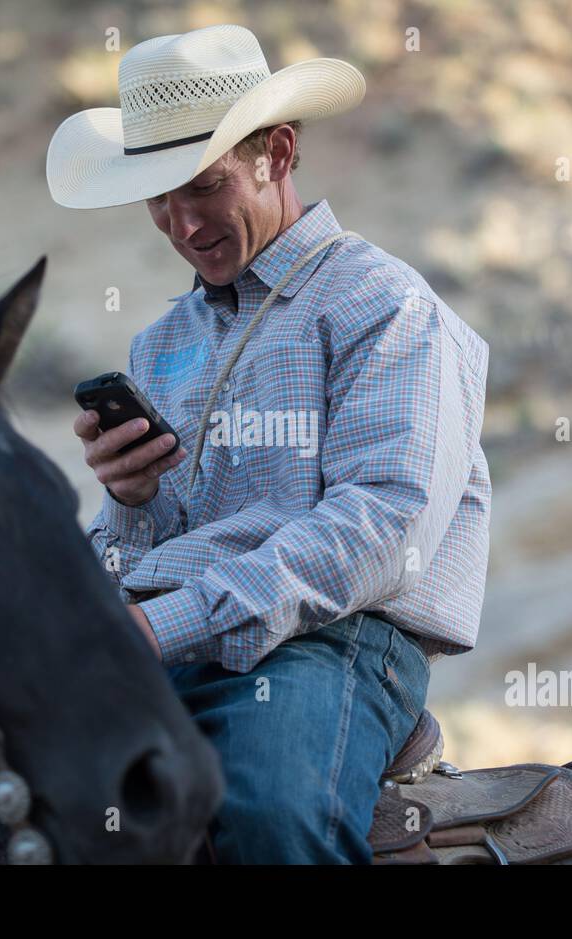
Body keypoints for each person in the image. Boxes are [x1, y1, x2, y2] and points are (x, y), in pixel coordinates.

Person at [47, 23, 491, 863]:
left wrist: (167, 624)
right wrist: (131, 505)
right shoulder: (159, 343)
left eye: (203, 186)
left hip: (334, 641)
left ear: (277, 154)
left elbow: (383, 529)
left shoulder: (383, 304)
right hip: (168, 637)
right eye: (158, 198)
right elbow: (138, 554)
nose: (181, 224)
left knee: (272, 817)